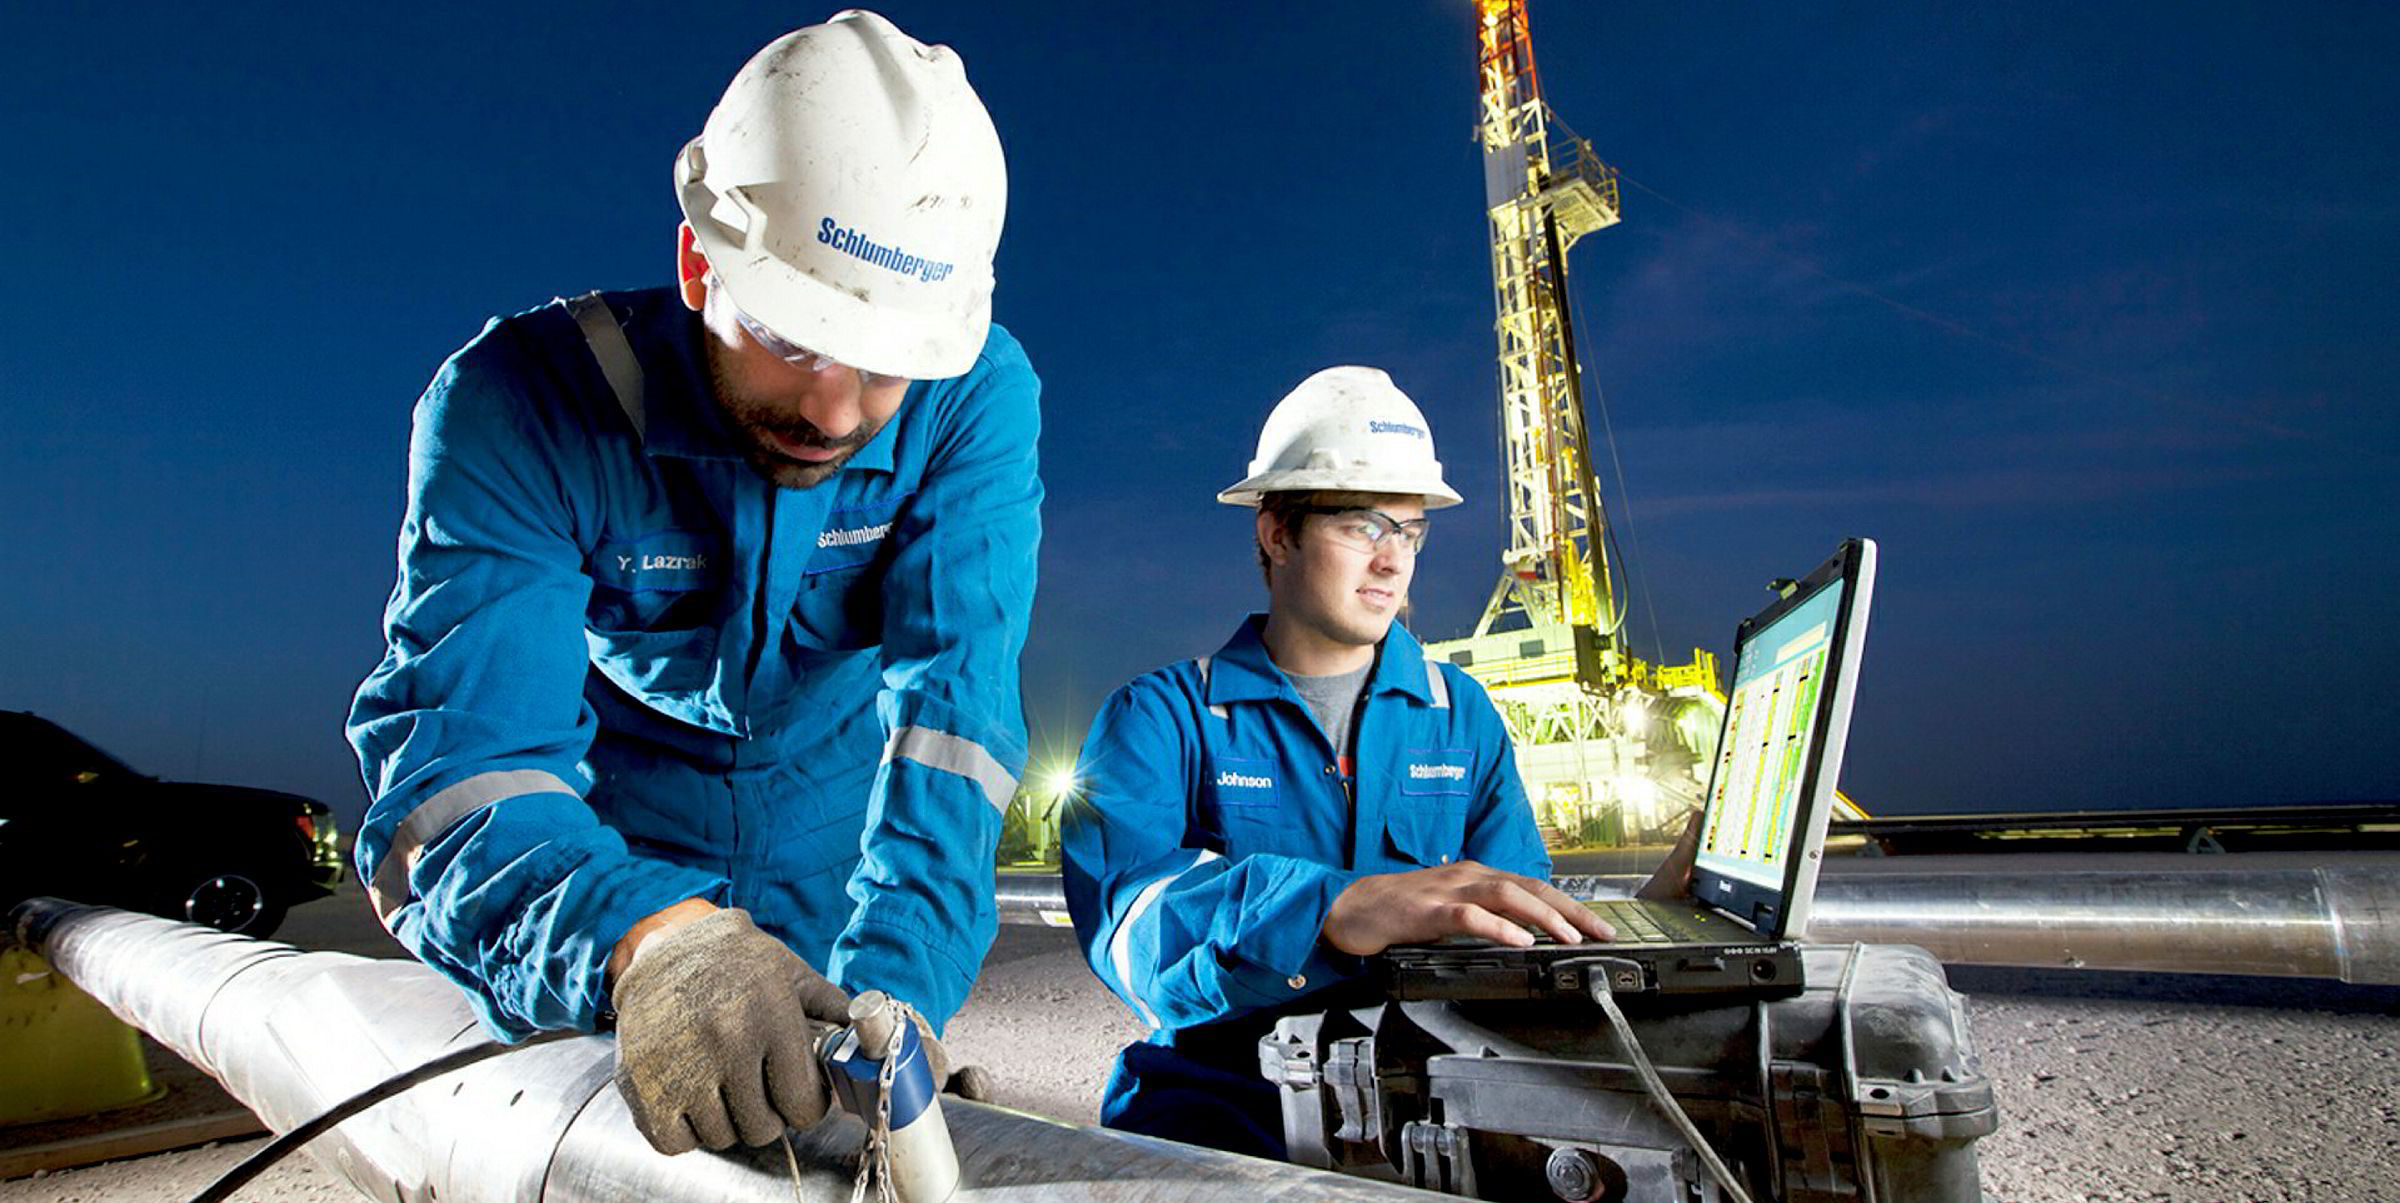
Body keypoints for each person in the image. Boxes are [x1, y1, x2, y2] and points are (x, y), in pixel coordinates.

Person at [347, 12, 1037, 1156]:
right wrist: (642, 943)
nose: (835, 411)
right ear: (699, 263)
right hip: (602, 861)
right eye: (797, 338)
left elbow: (953, 720)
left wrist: (898, 991)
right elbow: (464, 762)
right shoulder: (518, 404)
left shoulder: (972, 398)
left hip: (831, 857)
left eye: (885, 367)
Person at [1060, 366, 1695, 1158]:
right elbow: (1131, 931)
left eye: (1411, 530)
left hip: (1437, 1119)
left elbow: (1510, 923)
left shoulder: (1460, 713)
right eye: (1364, 526)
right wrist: (1329, 908)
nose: (1393, 559)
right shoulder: (1161, 716)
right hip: (1224, 1111)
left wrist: (1633, 938)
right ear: (1278, 533)